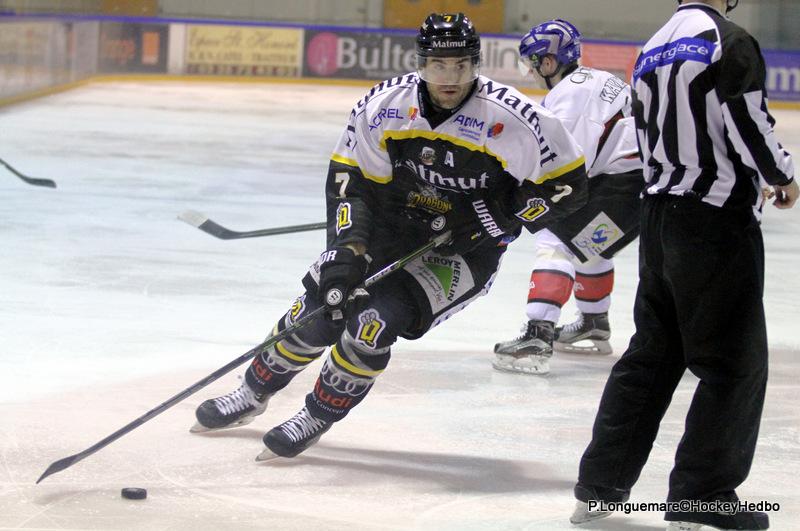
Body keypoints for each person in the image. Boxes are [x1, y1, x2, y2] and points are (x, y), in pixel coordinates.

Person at [190, 12, 588, 460]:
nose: (450, 78)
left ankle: (316, 415)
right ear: (420, 63)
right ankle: (251, 392)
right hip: (391, 229)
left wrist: (491, 219)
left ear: (476, 64)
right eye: (438, 65)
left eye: (460, 65)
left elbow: (568, 186)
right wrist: (347, 249)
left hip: (463, 252)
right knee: (321, 304)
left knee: (372, 323)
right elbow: (351, 182)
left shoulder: (515, 119)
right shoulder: (386, 106)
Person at [571, 1, 798, 529]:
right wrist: (781, 175)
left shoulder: (653, 46)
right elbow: (746, 119)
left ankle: (599, 486)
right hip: (713, 221)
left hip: (658, 217)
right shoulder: (728, 40)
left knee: (652, 356)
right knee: (733, 363)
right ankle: (702, 496)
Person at [493, 19, 643, 375]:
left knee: (554, 236)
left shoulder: (570, 96)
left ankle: (537, 333)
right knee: (587, 245)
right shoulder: (596, 79)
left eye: (532, 65)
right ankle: (593, 322)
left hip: (622, 189)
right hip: (636, 191)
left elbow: (569, 168)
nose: (531, 73)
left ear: (548, 63)